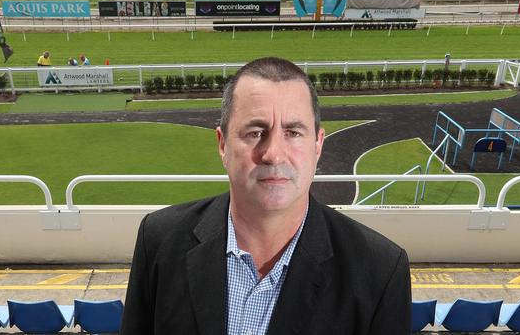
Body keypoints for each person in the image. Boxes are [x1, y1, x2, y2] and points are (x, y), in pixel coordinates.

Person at [121, 57, 411, 334]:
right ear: (222, 145)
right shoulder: (159, 241)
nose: (273, 154)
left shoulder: (379, 270)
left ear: (318, 145)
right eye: (256, 132)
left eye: (293, 132)